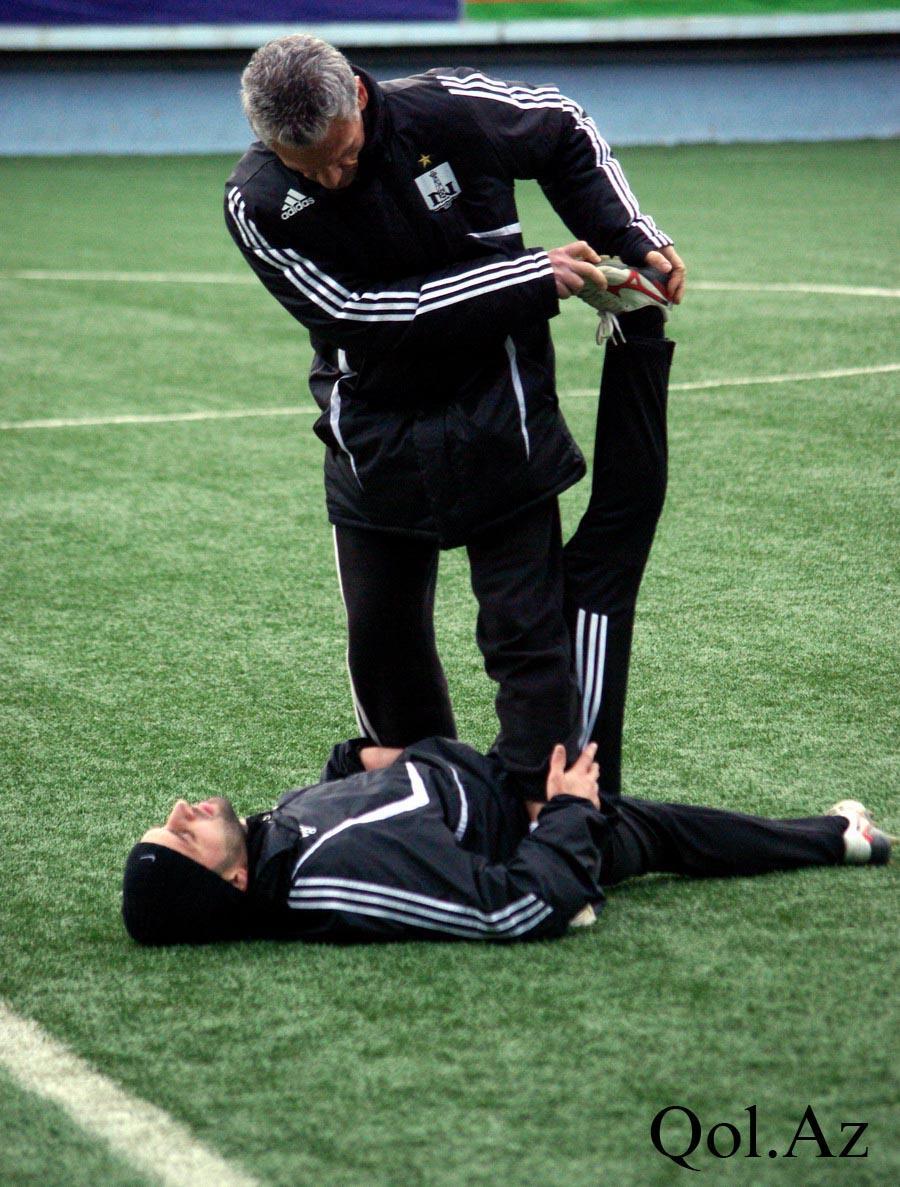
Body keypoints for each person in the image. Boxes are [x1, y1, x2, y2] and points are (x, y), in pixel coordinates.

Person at [224, 33, 685, 801]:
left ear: (360, 97)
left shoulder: (446, 111)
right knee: (385, 648)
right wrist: (527, 278)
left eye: (343, 155)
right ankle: (422, 814)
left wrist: (629, 235)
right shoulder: (257, 199)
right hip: (373, 436)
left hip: (501, 414)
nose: (333, 178)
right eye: (309, 169)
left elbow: (563, 126)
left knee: (526, 637)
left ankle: (548, 816)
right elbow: (355, 314)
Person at [122, 732, 891, 946]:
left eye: (171, 816)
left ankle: (838, 832)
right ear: (231, 883)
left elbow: (343, 798)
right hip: (524, 818)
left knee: (661, 827)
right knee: (657, 829)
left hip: (483, 771)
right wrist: (564, 817)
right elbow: (505, 907)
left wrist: (360, 756)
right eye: (185, 835)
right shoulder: (329, 875)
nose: (184, 808)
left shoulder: (270, 838)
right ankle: (843, 836)